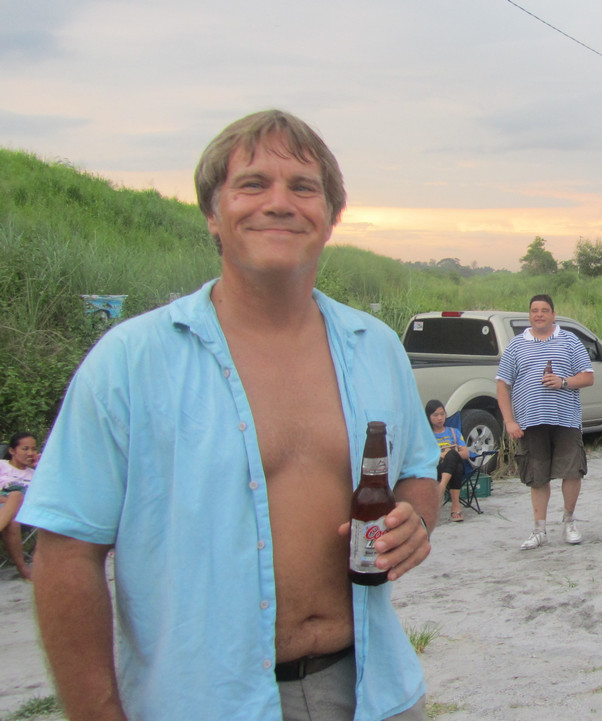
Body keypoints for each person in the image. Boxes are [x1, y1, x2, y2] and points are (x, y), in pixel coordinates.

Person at [17, 110, 440, 721]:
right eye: (252, 184)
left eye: (303, 187)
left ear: (330, 217)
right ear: (213, 214)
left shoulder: (376, 347)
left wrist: (416, 520)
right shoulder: (131, 361)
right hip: (201, 703)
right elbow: (67, 553)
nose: (279, 203)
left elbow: (418, 473)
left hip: (376, 693)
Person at [496, 294, 594, 550]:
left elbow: (587, 377)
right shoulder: (516, 345)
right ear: (529, 315)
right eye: (534, 310)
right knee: (537, 476)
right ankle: (539, 530)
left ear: (553, 314)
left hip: (566, 420)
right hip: (530, 421)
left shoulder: (569, 340)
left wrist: (563, 382)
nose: (539, 314)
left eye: (544, 310)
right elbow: (503, 385)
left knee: (571, 471)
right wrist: (509, 421)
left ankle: (569, 522)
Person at [426, 400, 472, 523]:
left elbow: (466, 454)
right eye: (435, 415)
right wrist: (441, 455)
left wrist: (449, 454)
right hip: (436, 468)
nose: (440, 418)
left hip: (452, 468)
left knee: (454, 458)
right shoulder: (427, 435)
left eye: (442, 414)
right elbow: (424, 455)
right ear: (429, 417)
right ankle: (455, 507)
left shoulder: (454, 432)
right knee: (456, 464)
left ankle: (441, 488)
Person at [1, 432, 38, 580]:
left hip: (22, 514)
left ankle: (22, 567)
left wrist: (40, 467)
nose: (30, 453)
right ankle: (23, 569)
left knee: (15, 504)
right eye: (25, 449)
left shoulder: (36, 475)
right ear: (12, 450)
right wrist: (9, 501)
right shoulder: (1, 465)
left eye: (33, 449)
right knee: (15, 497)